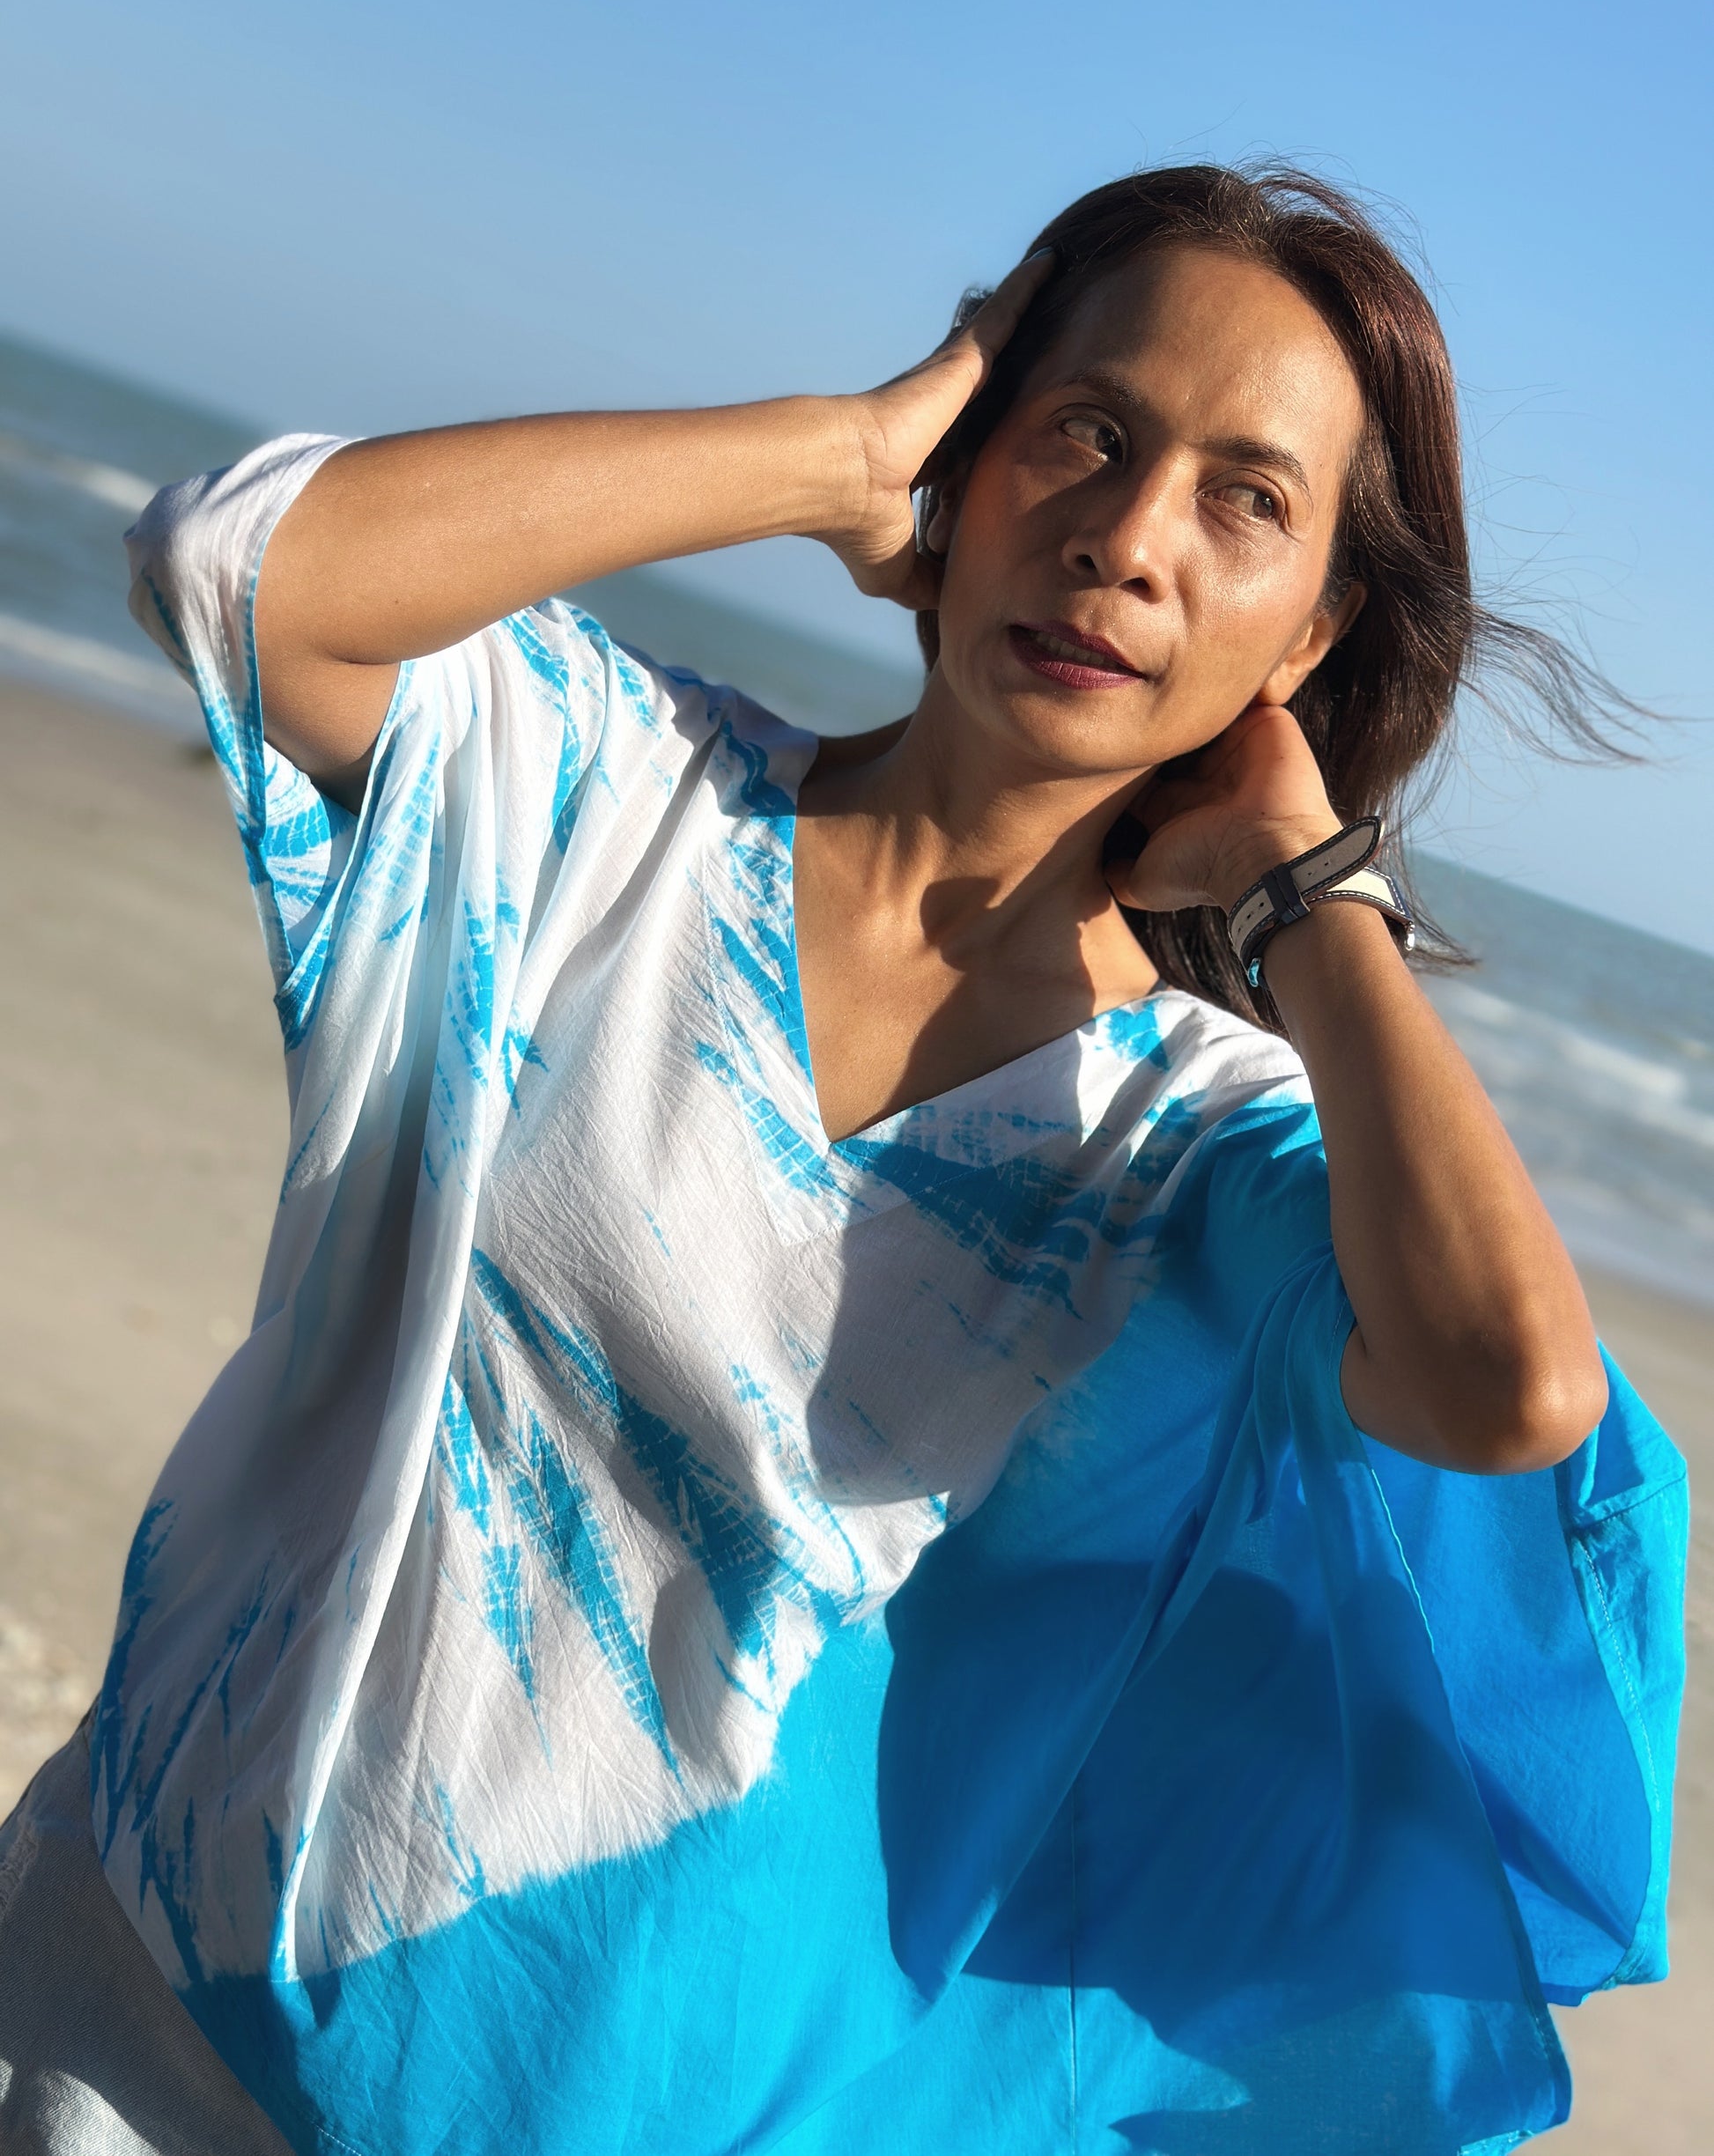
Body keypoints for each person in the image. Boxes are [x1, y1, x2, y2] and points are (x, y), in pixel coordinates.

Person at [0, 165, 1687, 2155]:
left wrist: (1316, 891)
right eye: (1086, 431)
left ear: (1309, 627)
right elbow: (244, 568)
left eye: (1246, 497)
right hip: (99, 2022)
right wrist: (837, 456)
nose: (1129, 540)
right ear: (971, 460)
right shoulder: (608, 800)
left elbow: (1509, 1380)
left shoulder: (1207, 1151)